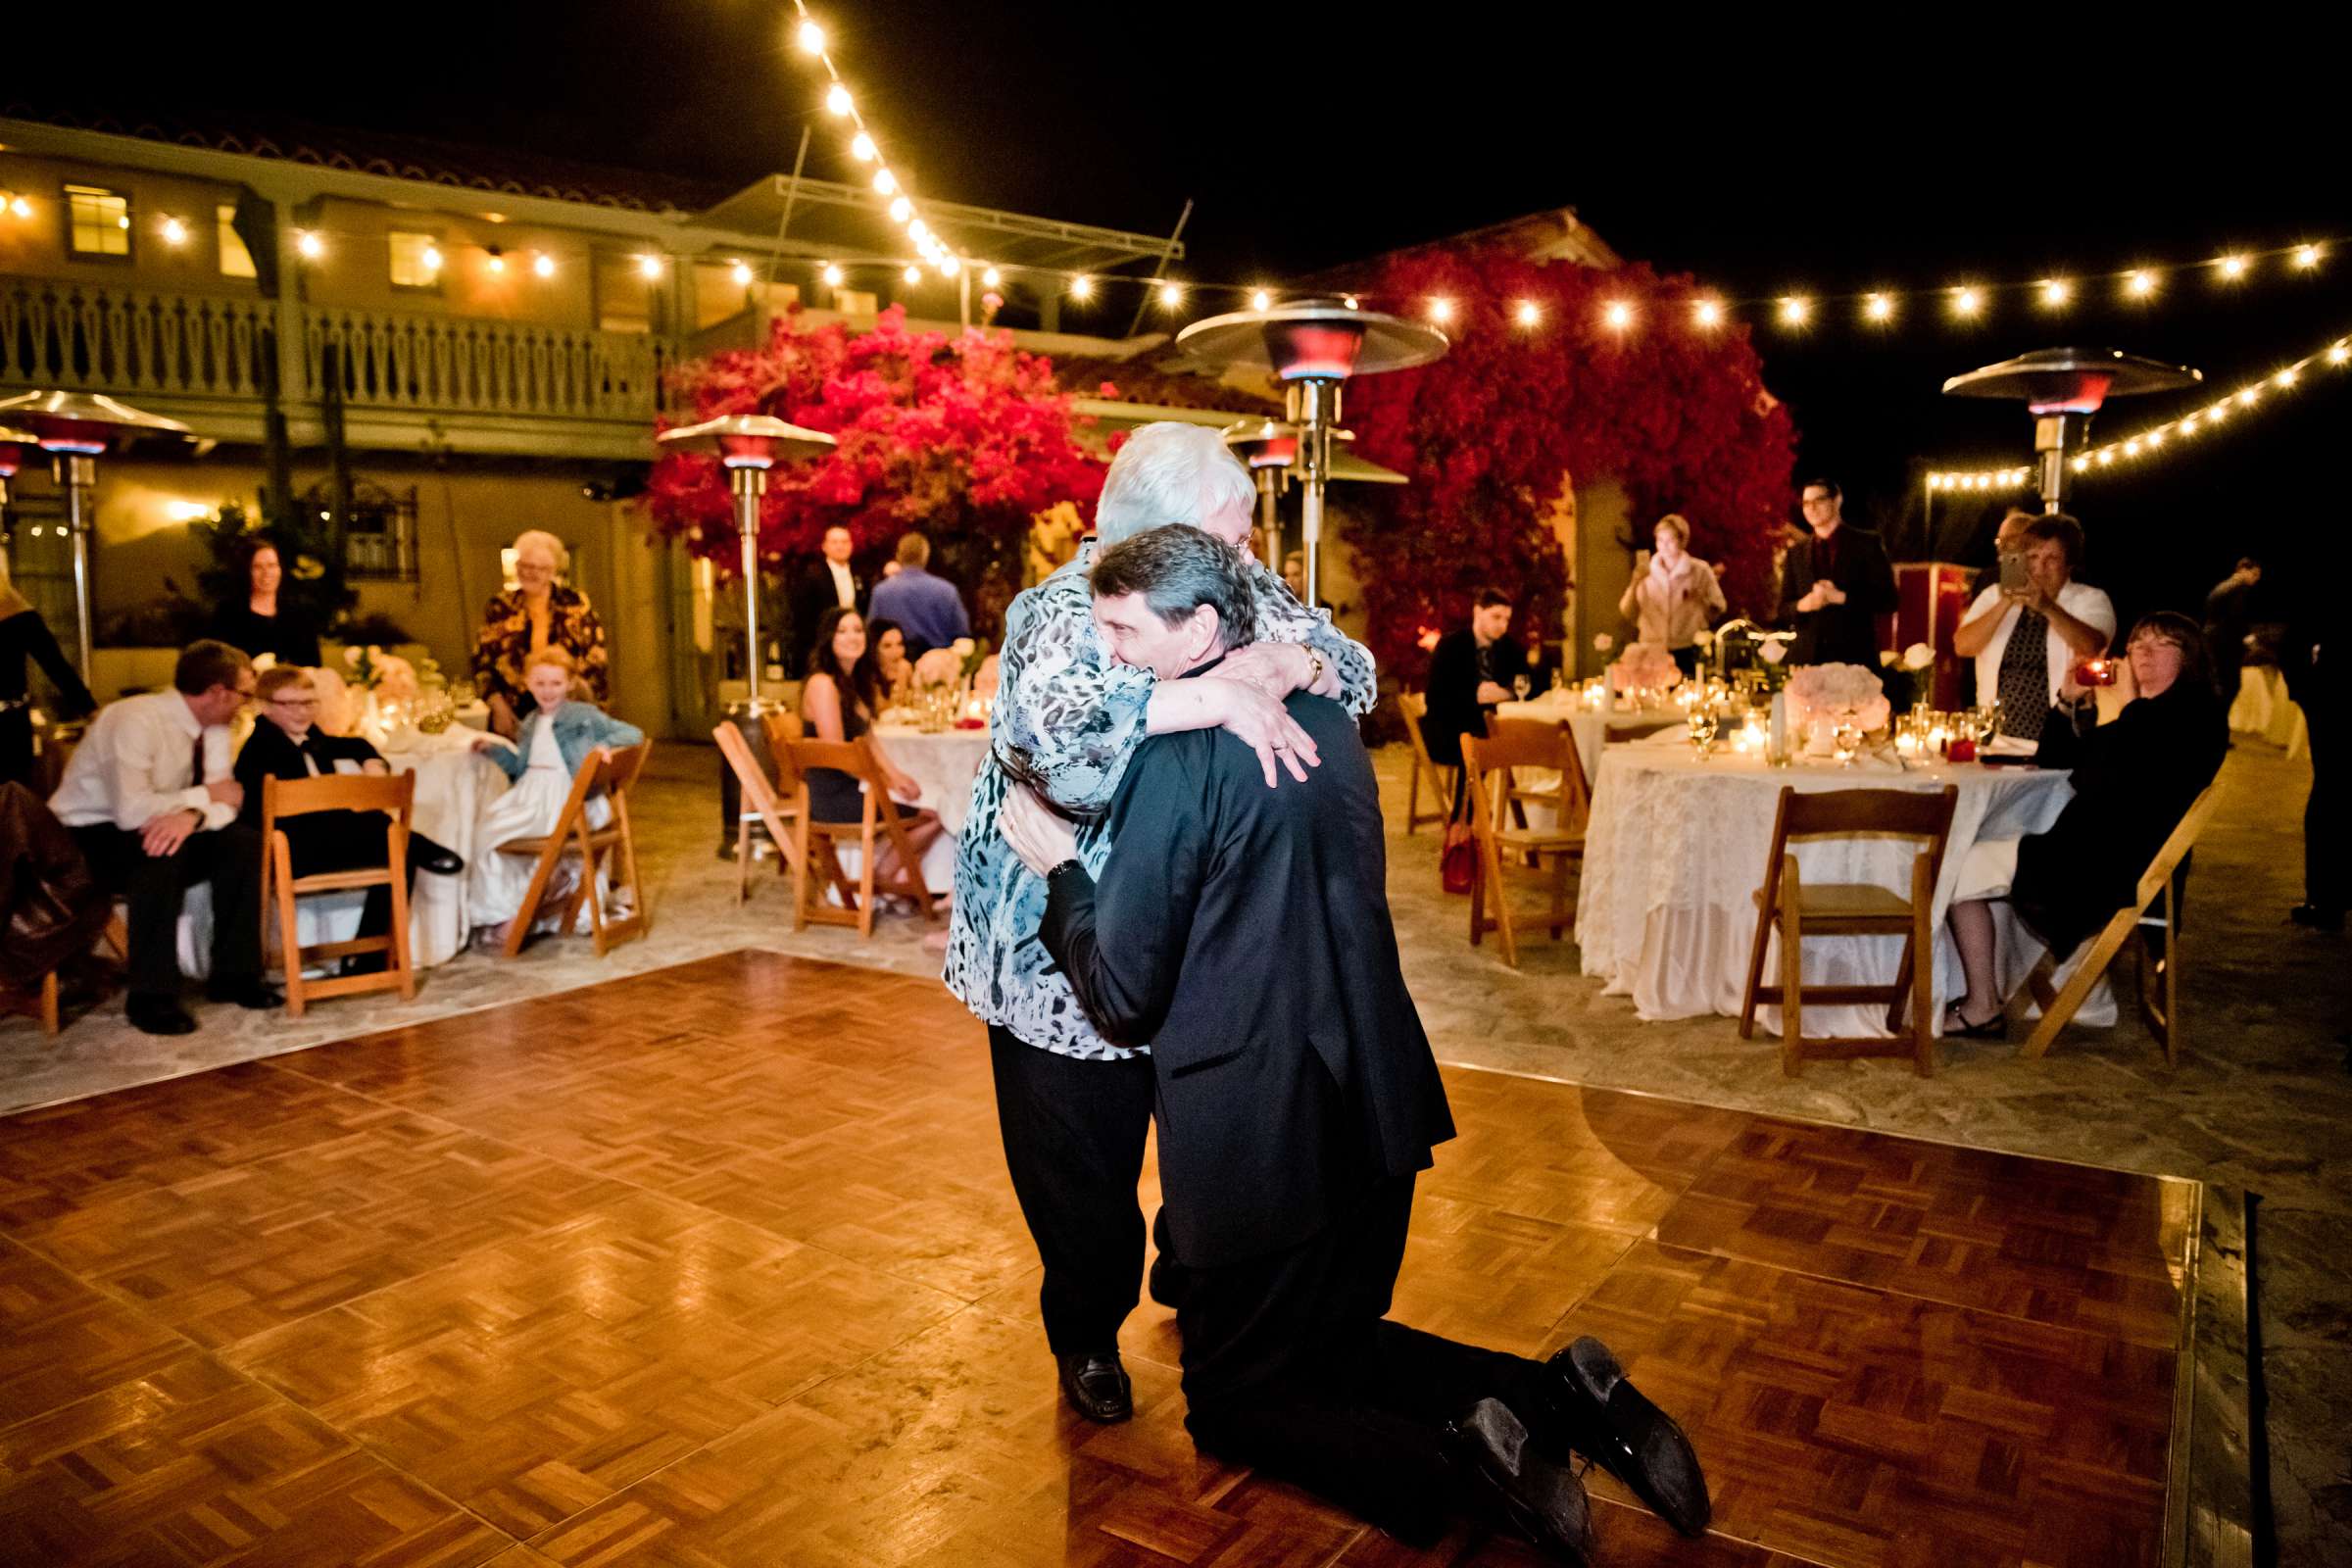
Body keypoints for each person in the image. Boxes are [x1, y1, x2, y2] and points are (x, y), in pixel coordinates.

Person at [998, 525, 1708, 1561]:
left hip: (1257, 1130)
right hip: (1370, 1101)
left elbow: (1121, 993)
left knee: (1233, 1401)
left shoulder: (1173, 759)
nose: (1107, 653)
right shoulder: (1326, 715)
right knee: (1331, 1350)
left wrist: (1062, 869)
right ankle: (1563, 1394)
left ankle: (1460, 1459)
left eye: (1120, 628)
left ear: (1199, 626)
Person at [943, 420, 1375, 1429]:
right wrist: (1210, 694)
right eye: (1232, 536)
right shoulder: (1054, 613)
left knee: (1205, 1127)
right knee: (1080, 1169)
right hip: (1053, 944)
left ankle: (1196, 1272)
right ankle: (1086, 1329)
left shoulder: (1240, 590)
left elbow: (1353, 675)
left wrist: (1275, 667)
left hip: (1196, 936)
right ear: (1159, 539)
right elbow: (1061, 757)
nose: (1252, 557)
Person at [1943, 612, 2228, 1036]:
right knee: (1979, 858)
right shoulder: (2155, 713)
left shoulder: (2190, 714)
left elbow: (2109, 769)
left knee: (1960, 869)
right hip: (2100, 851)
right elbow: (2063, 760)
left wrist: (2129, 701)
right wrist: (2067, 699)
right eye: (2137, 645)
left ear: (2189, 657)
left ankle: (1982, 1005)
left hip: (2108, 864)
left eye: (2161, 644)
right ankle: (1989, 992)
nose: (2143, 653)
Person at [47, 640, 277, 1035]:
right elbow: (131, 811)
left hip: (167, 821)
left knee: (242, 842)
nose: (247, 704)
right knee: (159, 851)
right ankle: (151, 995)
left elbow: (231, 801)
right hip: (83, 838)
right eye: (245, 694)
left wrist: (193, 815)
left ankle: (235, 974)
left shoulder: (216, 727)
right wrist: (201, 801)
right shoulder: (133, 719)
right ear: (218, 692)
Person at [234, 665, 465, 971]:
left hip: (325, 839)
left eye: (309, 703)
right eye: (290, 704)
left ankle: (367, 958)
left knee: (398, 853)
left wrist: (372, 760)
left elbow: (354, 744)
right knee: (378, 825)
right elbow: (270, 815)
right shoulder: (260, 748)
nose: (302, 712)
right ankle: (420, 845)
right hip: (290, 847)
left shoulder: (310, 736)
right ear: (265, 706)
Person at [466, 646, 641, 939]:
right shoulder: (532, 721)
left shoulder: (583, 714)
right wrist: (494, 751)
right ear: (528, 683)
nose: (548, 691)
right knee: (485, 834)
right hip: (530, 793)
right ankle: (511, 910)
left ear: (570, 684)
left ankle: (527, 909)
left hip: (566, 796)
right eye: (540, 683)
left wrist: (604, 746)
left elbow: (632, 733)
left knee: (501, 835)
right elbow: (523, 766)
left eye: (556, 683)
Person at [799, 606, 944, 880]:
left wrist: (895, 775)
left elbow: (869, 737)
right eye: (842, 631)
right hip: (835, 795)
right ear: (829, 639)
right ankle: (880, 880)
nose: (852, 637)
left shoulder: (852, 682)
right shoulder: (822, 684)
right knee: (936, 815)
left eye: (857, 630)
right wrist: (885, 782)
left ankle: (882, 883)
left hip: (856, 785)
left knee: (932, 798)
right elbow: (838, 754)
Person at [1951, 514, 2115, 743]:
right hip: (1998, 737)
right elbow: (1963, 646)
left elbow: (2091, 647)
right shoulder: (1993, 595)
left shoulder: (2090, 599)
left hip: (2060, 734)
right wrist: (2007, 600)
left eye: (2051, 559)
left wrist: (2047, 607)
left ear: (2068, 565)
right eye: (2033, 557)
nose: (2039, 567)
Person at [471, 529, 610, 740]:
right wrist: (497, 704)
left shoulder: (575, 603)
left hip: (566, 706)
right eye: (523, 566)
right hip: (514, 711)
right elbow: (481, 663)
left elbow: (596, 659)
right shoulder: (500, 607)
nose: (528, 573)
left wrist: (579, 708)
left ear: (552, 570)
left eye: (537, 567)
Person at [1422, 589, 1540, 814]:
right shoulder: (1451, 645)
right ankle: (1463, 822)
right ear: (1478, 612)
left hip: (1490, 729)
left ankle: (1523, 818)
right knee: (1477, 743)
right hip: (1447, 731)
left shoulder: (1508, 647)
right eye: (1496, 617)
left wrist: (1507, 694)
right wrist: (1474, 696)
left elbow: (1532, 682)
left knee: (1515, 739)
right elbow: (1435, 697)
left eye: (1506, 619)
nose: (1502, 625)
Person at [1775, 477, 1897, 667]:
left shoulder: (1867, 544)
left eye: (1819, 500)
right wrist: (1804, 604)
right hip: (1808, 661)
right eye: (1806, 503)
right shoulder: (1796, 552)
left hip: (1854, 660)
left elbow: (1889, 600)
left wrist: (1841, 597)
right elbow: (1783, 609)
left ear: (1837, 500)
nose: (1811, 508)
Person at [2, 556, 95, 789]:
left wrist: (90, 710)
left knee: (13, 802)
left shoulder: (18, 615)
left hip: (11, 723)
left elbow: (55, 666)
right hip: (13, 719)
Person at [1618, 514, 1727, 677]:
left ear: (1682, 541)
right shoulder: (1646, 571)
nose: (1664, 546)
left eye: (1670, 540)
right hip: (1651, 649)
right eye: (1660, 540)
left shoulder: (1699, 571)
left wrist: (1700, 598)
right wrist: (1635, 583)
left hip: (1686, 649)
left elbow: (1718, 608)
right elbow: (1628, 611)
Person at [208, 541, 323, 667]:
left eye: (272, 565)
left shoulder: (300, 615)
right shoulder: (228, 614)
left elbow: (313, 666)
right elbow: (218, 664)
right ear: (246, 571)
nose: (266, 573)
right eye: (257, 567)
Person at [865, 530, 970, 661]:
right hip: (938, 668)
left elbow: (871, 633)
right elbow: (962, 633)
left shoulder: (881, 592)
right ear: (925, 555)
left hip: (895, 665)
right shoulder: (947, 590)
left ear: (898, 556)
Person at [788, 524, 869, 676]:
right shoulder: (811, 576)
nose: (840, 546)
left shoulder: (860, 574)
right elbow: (803, 617)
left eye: (844, 542)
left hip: (852, 646)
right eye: (835, 542)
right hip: (822, 646)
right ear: (824, 546)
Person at [2203, 556, 2263, 702]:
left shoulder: (2220, 586)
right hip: (2225, 640)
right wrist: (2250, 640)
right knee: (2231, 684)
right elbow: (2237, 617)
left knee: (2217, 682)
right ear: (2243, 570)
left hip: (2210, 638)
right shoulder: (2238, 588)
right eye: (2254, 574)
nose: (2255, 580)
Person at [863, 616, 916, 707]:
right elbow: (882, 711)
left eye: (900, 644)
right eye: (887, 646)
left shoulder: (905, 668)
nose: (896, 651)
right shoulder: (866, 675)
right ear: (874, 649)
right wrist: (901, 680)